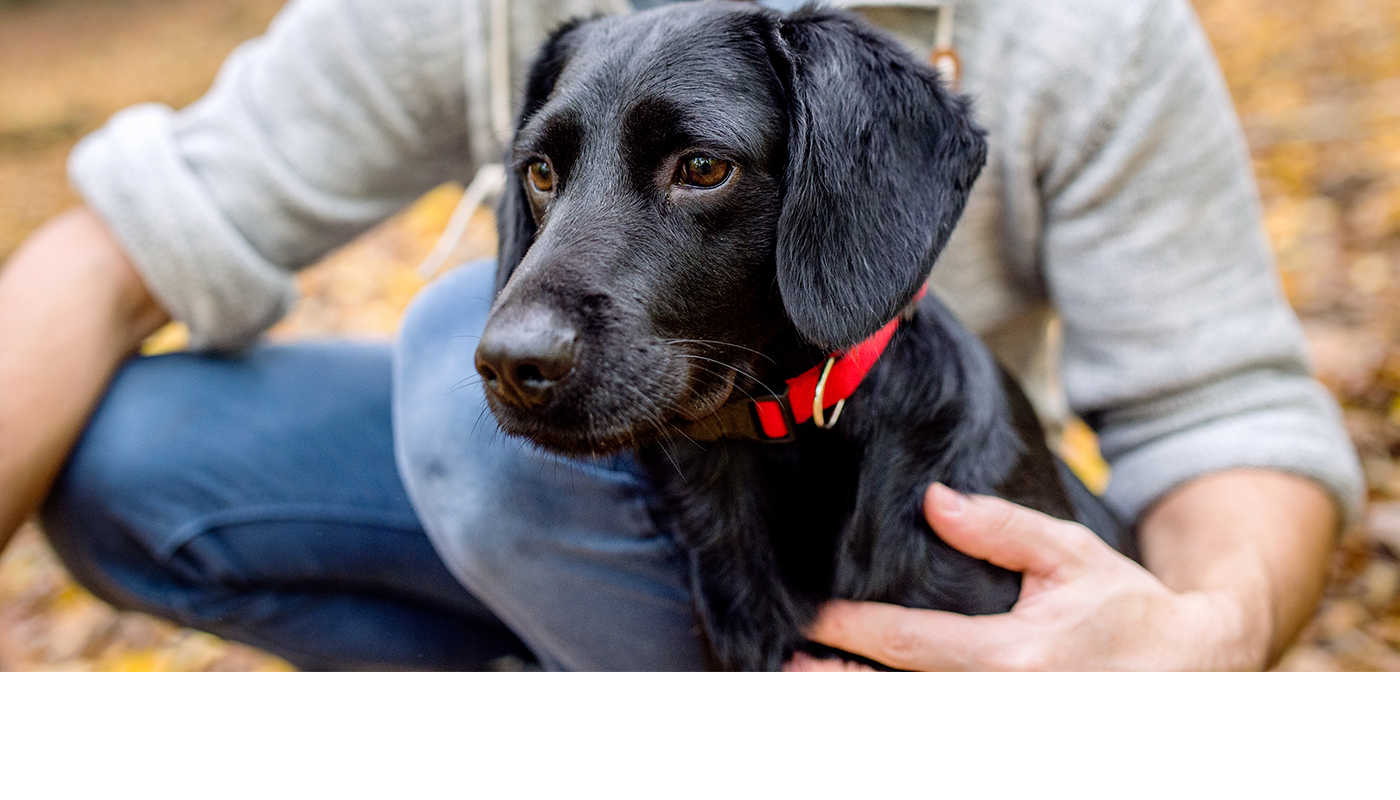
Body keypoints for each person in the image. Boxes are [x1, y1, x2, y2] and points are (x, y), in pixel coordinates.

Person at [0, 0, 1362, 670]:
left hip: (871, 466)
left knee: (455, 372)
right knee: (141, 455)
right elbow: (112, 246)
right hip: (631, 476)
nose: (551, 269)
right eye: (550, 175)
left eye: (695, 167)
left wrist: (1198, 641)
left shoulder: (1084, 29)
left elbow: (1224, 416)